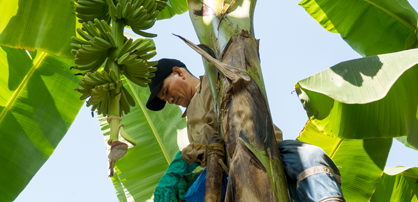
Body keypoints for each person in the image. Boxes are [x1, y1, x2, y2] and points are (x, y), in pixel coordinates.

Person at [147, 59, 345, 202]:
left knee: (311, 156)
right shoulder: (190, 118)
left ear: (179, 72)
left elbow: (222, 127)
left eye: (166, 92)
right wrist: (188, 177)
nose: (170, 101)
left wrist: (184, 160)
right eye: (166, 100)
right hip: (226, 169)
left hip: (262, 148)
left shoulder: (213, 79)